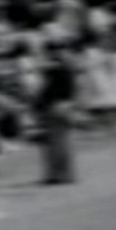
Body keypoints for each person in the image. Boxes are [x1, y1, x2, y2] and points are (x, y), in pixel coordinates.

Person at [36, 40, 80, 185]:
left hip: (56, 106)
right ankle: (63, 174)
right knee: (61, 143)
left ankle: (57, 174)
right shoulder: (67, 67)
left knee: (56, 144)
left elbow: (47, 90)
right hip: (63, 105)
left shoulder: (54, 68)